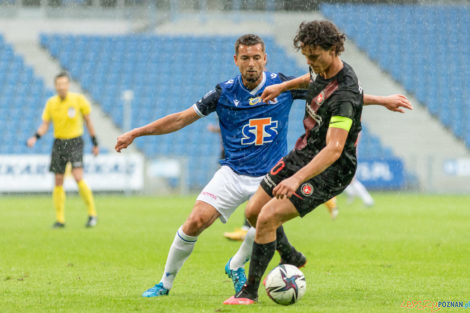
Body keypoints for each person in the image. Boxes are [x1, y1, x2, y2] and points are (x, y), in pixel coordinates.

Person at [115, 34, 411, 298]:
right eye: (245, 58)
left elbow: (334, 93)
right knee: (194, 222)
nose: (251, 63)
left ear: (265, 59)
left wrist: (381, 100)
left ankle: (238, 268)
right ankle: (165, 284)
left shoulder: (281, 86)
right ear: (236, 60)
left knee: (263, 217)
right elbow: (180, 118)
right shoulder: (224, 93)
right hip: (233, 173)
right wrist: (136, 132)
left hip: (271, 173)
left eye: (257, 57)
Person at [223, 20, 412, 305]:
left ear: (333, 49)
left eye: (314, 56)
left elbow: (334, 149)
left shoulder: (345, 95)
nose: (310, 62)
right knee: (253, 210)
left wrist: (296, 179)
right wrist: (283, 87)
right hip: (306, 150)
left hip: (332, 169)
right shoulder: (321, 67)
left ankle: (249, 292)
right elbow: (311, 80)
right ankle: (291, 256)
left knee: (268, 217)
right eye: (306, 56)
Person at [27, 72, 99, 228]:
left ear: (68, 85)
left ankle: (92, 214)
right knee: (58, 180)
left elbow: (88, 122)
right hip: (59, 142)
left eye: (64, 84)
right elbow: (45, 124)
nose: (61, 87)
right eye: (58, 84)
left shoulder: (78, 100)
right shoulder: (51, 103)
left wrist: (95, 142)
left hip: (75, 141)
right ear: (55, 86)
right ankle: (60, 219)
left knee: (77, 176)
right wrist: (35, 137)